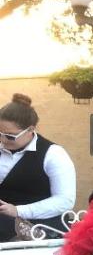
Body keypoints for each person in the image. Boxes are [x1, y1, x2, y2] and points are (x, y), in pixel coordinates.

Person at [0, 93, 77, 241]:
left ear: (30, 129)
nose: (3, 140)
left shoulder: (54, 154)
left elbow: (65, 200)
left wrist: (18, 211)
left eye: (10, 136)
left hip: (42, 230)